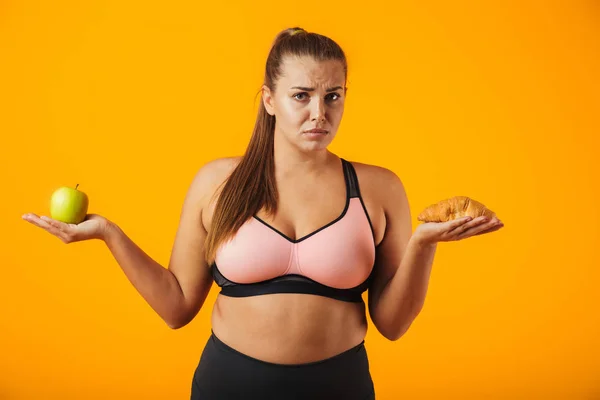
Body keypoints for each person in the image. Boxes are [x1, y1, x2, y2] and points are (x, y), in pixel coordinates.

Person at [22, 27, 504, 400]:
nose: (319, 112)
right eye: (302, 96)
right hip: (228, 386)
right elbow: (176, 307)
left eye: (333, 95)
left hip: (339, 389)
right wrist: (108, 233)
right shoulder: (218, 183)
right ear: (270, 100)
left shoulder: (378, 188)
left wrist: (424, 244)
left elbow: (393, 326)